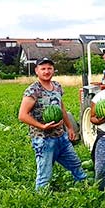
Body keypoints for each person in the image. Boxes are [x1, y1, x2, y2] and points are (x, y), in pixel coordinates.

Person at [18, 57, 87, 190]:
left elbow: (61, 108)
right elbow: (22, 115)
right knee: (45, 175)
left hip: (61, 137)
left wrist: (70, 127)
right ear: (36, 71)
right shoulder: (33, 90)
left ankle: (84, 190)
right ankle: (41, 202)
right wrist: (42, 126)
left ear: (53, 70)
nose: (46, 71)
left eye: (49, 68)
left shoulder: (57, 86)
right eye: (43, 68)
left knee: (76, 164)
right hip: (43, 139)